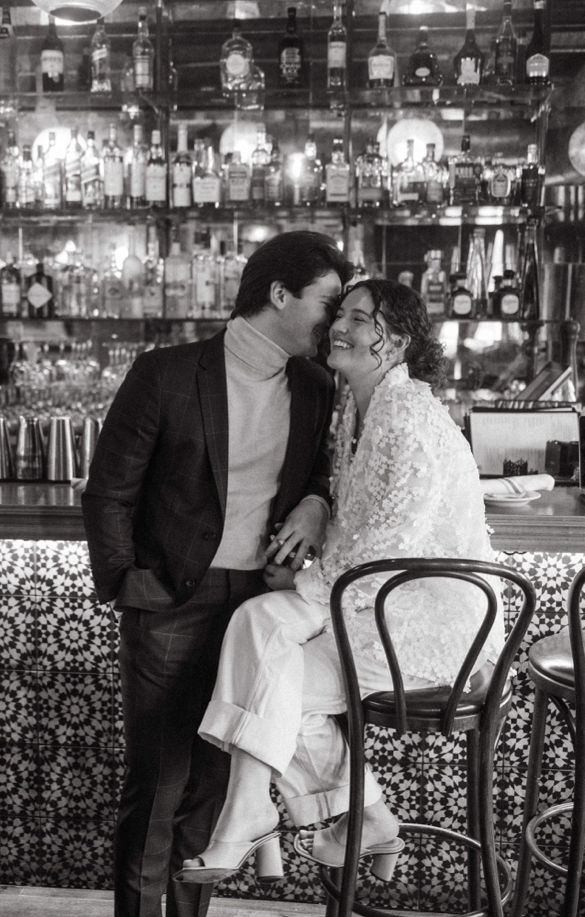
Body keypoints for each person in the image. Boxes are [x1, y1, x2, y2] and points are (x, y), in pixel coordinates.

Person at [177, 280, 496, 882]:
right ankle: (344, 814)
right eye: (338, 314)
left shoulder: (407, 419)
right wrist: (314, 531)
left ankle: (266, 814)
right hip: (372, 604)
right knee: (261, 646)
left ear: (396, 340)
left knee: (266, 656)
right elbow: (360, 532)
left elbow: (386, 548)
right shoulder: (359, 403)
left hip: (425, 629)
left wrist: (300, 585)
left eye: (359, 318)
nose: (338, 327)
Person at [81, 230, 350, 917]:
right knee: (158, 788)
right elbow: (109, 490)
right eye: (328, 302)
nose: (336, 320)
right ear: (279, 294)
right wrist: (128, 583)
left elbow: (322, 472)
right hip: (170, 601)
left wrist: (317, 504)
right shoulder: (166, 372)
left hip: (258, 611)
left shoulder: (317, 386)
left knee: (212, 794)